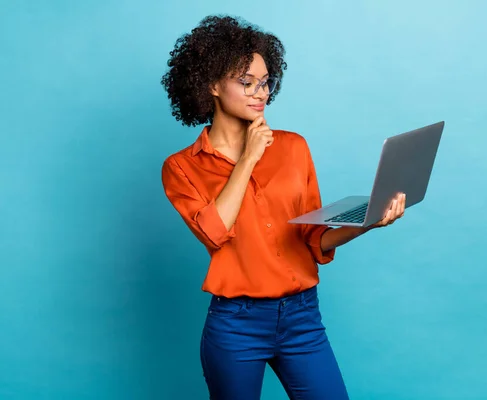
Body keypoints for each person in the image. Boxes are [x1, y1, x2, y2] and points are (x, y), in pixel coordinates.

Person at [160, 14, 406, 400]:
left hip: (302, 318)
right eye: (246, 83)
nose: (260, 93)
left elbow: (313, 238)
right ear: (211, 85)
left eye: (265, 82)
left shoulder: (294, 147)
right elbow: (213, 232)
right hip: (236, 324)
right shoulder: (182, 167)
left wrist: (369, 222)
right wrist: (248, 159)